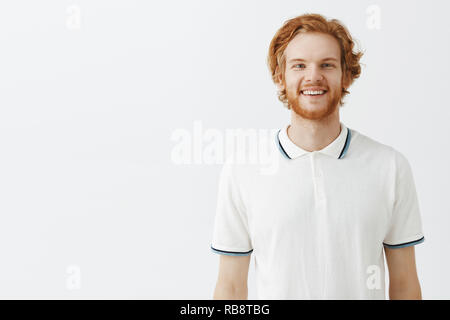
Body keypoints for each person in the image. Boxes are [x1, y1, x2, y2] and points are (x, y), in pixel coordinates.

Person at [210, 13, 425, 299]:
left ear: (346, 75)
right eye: (299, 65)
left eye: (327, 64)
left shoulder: (390, 167)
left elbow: (405, 285)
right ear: (280, 76)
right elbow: (231, 288)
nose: (313, 76)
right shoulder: (242, 171)